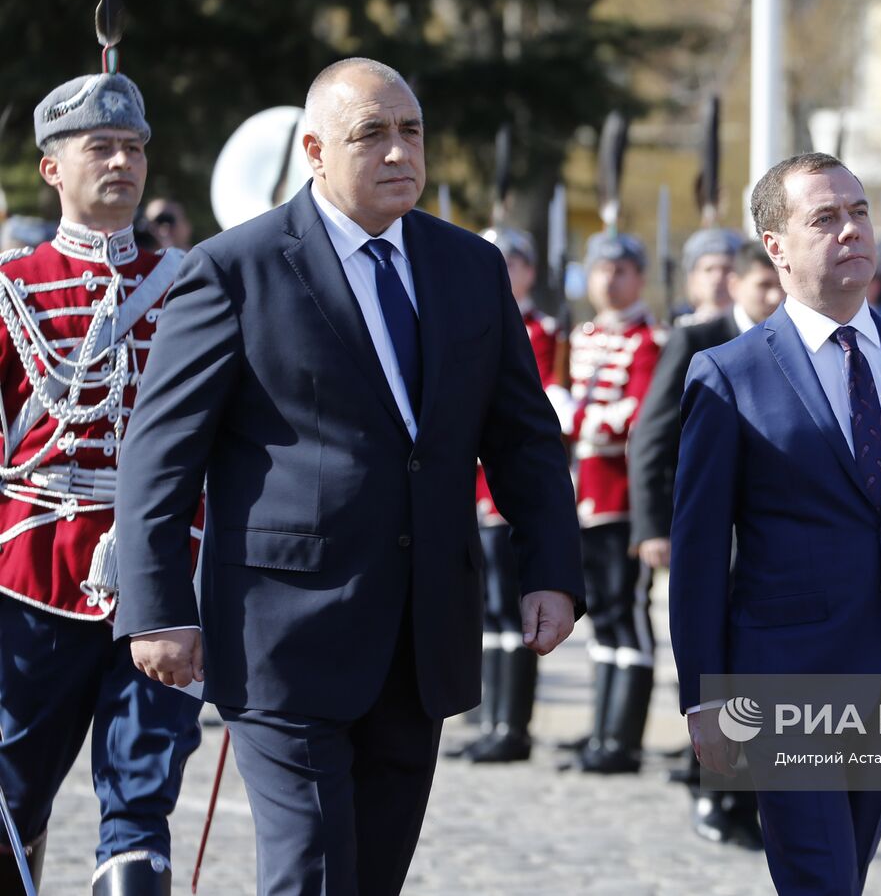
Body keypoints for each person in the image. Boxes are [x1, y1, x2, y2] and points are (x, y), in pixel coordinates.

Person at [113, 58, 584, 895]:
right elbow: (161, 453)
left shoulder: (469, 267)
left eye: (411, 131)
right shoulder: (233, 270)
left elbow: (524, 436)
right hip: (282, 639)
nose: (400, 152)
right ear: (315, 149)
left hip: (421, 633)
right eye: (373, 134)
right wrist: (157, 608)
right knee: (313, 874)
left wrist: (552, 568)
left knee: (370, 877)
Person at [670, 152, 881, 895]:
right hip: (782, 678)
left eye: (858, 212)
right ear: (777, 247)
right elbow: (698, 550)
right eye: (824, 218)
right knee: (820, 877)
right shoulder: (730, 373)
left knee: (840, 874)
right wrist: (701, 690)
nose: (851, 230)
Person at [0, 71, 204, 896]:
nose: (122, 161)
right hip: (31, 576)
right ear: (54, 168)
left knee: (140, 806)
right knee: (9, 798)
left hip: (162, 578)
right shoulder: (14, 289)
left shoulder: (192, 287)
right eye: (101, 148)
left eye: (133, 148)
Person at [630, 239, 780, 847]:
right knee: (710, 660)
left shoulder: (796, 344)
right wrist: (651, 527)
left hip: (769, 542)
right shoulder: (697, 340)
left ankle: (745, 795)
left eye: (780, 285)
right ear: (736, 286)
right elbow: (652, 437)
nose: (772, 297)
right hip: (705, 534)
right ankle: (716, 792)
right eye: (761, 285)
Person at [554, 231, 665, 774]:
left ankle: (623, 739)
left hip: (625, 497)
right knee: (600, 614)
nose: (608, 279)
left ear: (638, 278)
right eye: (600, 269)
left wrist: (575, 420)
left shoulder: (650, 340)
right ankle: (600, 731)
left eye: (620, 270)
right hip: (586, 495)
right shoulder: (584, 335)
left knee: (628, 615)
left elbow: (637, 416)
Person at [456, 225, 563, 764]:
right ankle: (492, 717)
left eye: (513, 262)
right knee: (490, 612)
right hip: (476, 488)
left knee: (513, 610)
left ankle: (512, 726)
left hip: (507, 493)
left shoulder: (540, 329)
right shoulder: (468, 317)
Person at [674, 227, 741, 327]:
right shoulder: (683, 331)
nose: (718, 277)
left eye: (726, 269)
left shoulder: (751, 328)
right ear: (692, 278)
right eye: (709, 269)